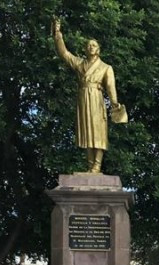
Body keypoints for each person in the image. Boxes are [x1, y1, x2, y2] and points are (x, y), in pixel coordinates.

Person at [51, 18, 125, 173]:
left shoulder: (106, 68)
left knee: (98, 131)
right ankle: (90, 165)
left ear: (98, 49)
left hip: (96, 99)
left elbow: (111, 87)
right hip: (83, 99)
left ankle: (97, 165)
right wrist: (57, 33)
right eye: (88, 45)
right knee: (86, 131)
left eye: (94, 45)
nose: (91, 47)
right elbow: (64, 53)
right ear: (85, 49)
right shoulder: (79, 64)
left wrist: (114, 103)